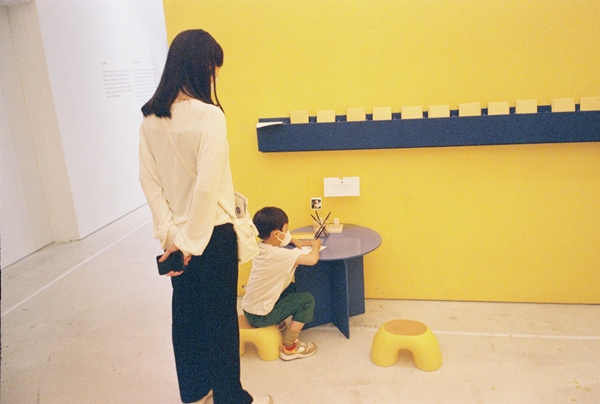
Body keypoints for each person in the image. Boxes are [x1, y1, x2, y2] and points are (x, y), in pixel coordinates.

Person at [139, 29, 272, 404]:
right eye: (213, 70)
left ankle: (195, 392)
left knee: (186, 317)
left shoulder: (150, 119)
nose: (213, 79)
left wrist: (171, 237)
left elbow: (149, 181)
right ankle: (230, 397)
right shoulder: (209, 116)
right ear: (201, 68)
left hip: (175, 239)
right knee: (220, 320)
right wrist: (191, 244)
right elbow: (206, 187)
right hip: (211, 237)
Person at [242, 207, 322, 360]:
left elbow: (281, 241)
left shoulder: (260, 247)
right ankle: (289, 347)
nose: (288, 234)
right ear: (276, 234)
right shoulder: (278, 254)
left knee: (291, 288)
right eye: (286, 230)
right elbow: (312, 260)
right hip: (260, 317)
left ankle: (278, 321)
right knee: (306, 300)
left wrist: (294, 240)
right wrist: (316, 245)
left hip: (250, 309)